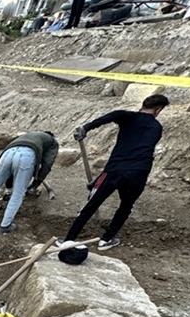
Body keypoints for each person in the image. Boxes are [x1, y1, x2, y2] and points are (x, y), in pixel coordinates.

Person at [64, 94, 169, 250]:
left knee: (93, 203)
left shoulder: (128, 116)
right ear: (158, 110)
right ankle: (106, 239)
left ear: (143, 105)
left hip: (115, 170)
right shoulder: (157, 127)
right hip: (139, 172)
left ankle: (69, 240)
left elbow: (113, 115)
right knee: (126, 206)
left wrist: (86, 128)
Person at [0, 131, 58, 233]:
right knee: (18, 194)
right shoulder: (53, 142)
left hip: (7, 154)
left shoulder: (29, 136)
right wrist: (35, 184)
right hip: (26, 157)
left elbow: (11, 165)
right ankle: (5, 226)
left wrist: (5, 184)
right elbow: (47, 164)